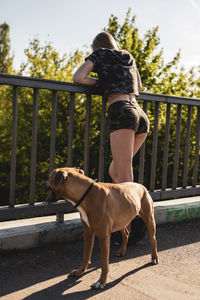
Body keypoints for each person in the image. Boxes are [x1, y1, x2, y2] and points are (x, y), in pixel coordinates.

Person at [73, 32, 150, 184]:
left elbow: (78, 77)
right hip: (140, 114)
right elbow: (139, 86)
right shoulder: (127, 55)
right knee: (114, 170)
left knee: (124, 177)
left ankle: (130, 208)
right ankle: (120, 207)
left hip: (122, 112)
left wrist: (100, 83)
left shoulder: (100, 54)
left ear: (96, 48)